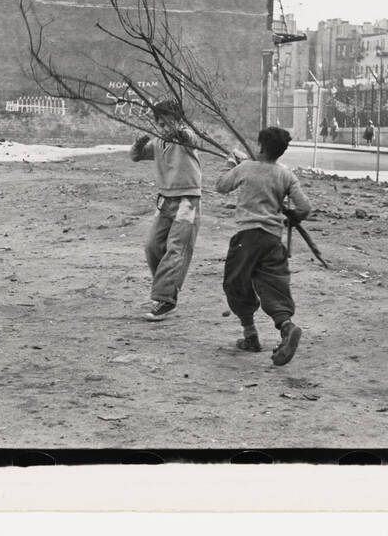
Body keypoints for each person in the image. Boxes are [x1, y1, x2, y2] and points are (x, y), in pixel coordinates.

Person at [216, 127, 312, 366]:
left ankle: (250, 335)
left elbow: (220, 186)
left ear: (260, 146)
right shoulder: (286, 175)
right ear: (281, 151)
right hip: (272, 241)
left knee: (235, 284)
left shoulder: (245, 168)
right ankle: (286, 327)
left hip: (246, 239)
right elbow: (305, 207)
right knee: (274, 287)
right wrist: (290, 215)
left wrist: (231, 163)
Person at [129, 100, 202, 321]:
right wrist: (138, 145)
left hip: (187, 200)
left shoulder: (187, 136)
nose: (162, 128)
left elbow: (191, 139)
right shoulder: (160, 140)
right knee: (152, 246)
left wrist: (180, 132)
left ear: (178, 121)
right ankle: (164, 290)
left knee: (176, 248)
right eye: (159, 124)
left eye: (166, 123)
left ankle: (166, 299)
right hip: (165, 199)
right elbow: (136, 156)